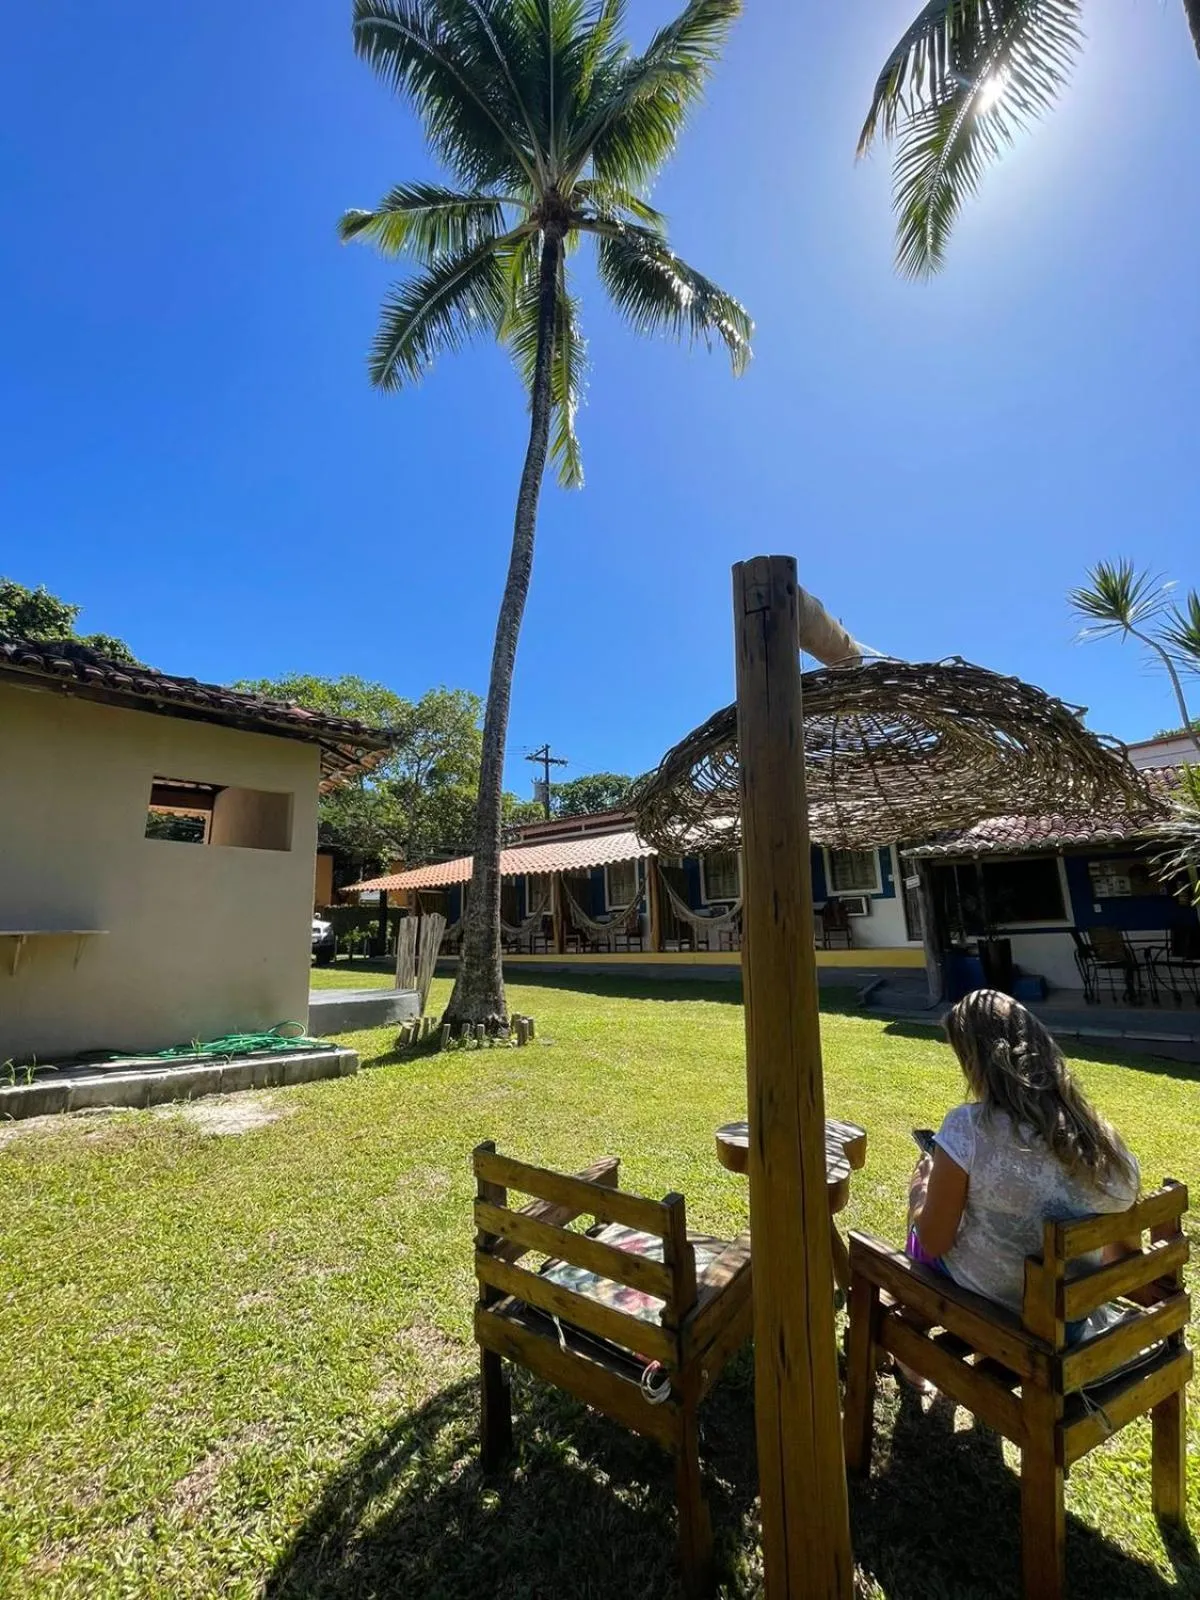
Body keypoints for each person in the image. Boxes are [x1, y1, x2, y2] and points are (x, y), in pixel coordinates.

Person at [908, 988, 1140, 1341]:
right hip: (1070, 1317)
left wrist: (919, 1191)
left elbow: (934, 1241)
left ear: (976, 1062)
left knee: (915, 1238)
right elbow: (1123, 1253)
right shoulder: (1100, 1139)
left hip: (1004, 1315)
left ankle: (912, 1335)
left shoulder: (969, 1128)